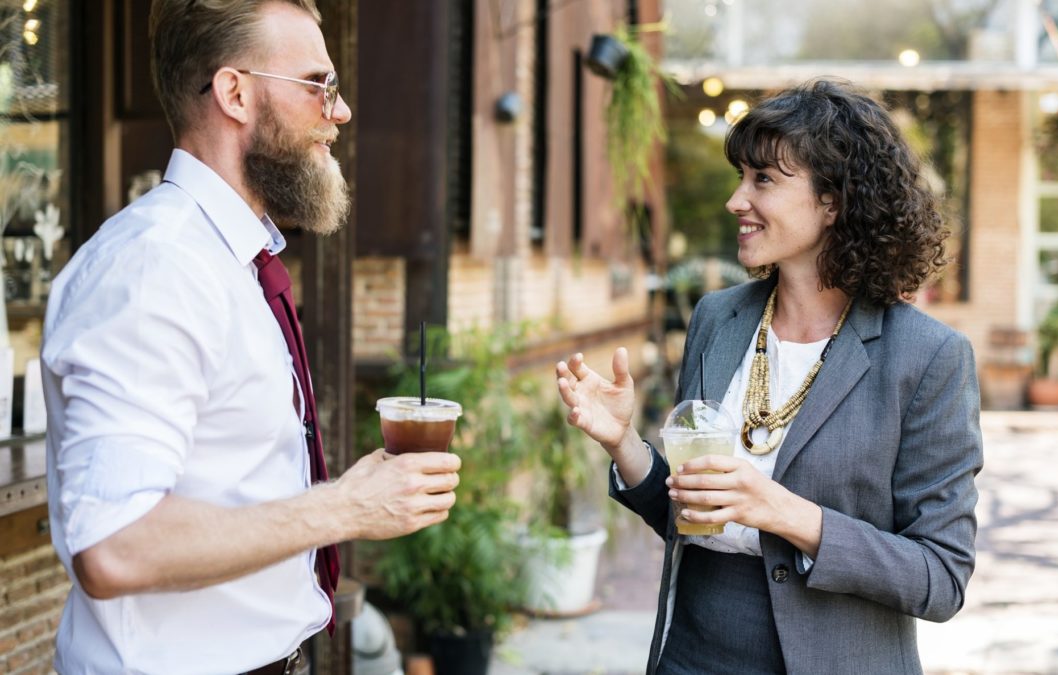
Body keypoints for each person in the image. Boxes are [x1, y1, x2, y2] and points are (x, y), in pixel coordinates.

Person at [41, 1, 461, 673]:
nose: (342, 111)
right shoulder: (155, 268)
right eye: (320, 84)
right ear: (234, 93)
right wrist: (346, 506)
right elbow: (115, 545)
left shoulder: (231, 262)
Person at [556, 79, 982, 674]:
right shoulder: (717, 318)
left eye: (763, 180)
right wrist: (623, 441)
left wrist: (782, 511)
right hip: (692, 652)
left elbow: (940, 577)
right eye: (741, 178)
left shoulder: (928, 356)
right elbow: (688, 518)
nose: (736, 201)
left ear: (833, 202)